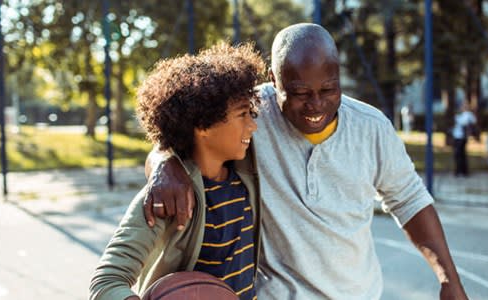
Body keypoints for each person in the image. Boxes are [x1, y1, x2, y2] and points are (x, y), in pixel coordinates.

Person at [143, 24, 468, 299]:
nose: (316, 105)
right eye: (299, 93)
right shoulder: (250, 116)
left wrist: (448, 279)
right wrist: (164, 164)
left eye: (329, 89)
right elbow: (182, 137)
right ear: (274, 79)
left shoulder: (371, 127)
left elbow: (410, 199)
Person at [89, 42, 265, 300]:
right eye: (242, 115)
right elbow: (106, 280)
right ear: (203, 125)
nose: (253, 126)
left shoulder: (246, 174)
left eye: (252, 113)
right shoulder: (166, 197)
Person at [452, 103, 479, 177]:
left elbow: (466, 122)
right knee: (459, 154)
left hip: (461, 137)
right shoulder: (460, 115)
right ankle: (461, 171)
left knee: (460, 154)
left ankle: (461, 171)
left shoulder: (467, 114)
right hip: (457, 136)